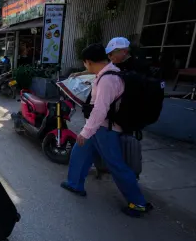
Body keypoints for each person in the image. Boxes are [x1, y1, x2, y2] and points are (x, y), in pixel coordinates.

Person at [60, 44, 151, 217]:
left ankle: (138, 203)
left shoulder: (107, 80)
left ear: (88, 62)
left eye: (85, 64)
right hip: (99, 127)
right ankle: (74, 184)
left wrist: (85, 132)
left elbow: (100, 111)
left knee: (116, 165)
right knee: (79, 152)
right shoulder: (107, 73)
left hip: (105, 129)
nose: (85, 67)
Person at [69, 37, 149, 77]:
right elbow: (98, 68)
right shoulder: (115, 63)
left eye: (111, 54)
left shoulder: (136, 66)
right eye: (108, 54)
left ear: (124, 51)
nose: (109, 57)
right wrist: (80, 73)